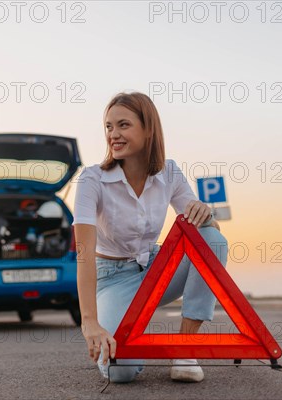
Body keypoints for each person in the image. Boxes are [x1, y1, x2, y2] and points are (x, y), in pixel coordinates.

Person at [72, 92, 228, 383]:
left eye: (123, 125)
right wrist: (90, 323)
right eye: (108, 127)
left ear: (148, 129)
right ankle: (126, 329)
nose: (113, 135)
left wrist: (205, 213)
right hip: (113, 279)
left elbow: (208, 236)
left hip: (157, 270)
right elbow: (83, 253)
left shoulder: (170, 172)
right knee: (122, 371)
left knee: (213, 240)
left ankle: (185, 348)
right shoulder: (91, 179)